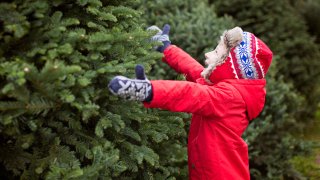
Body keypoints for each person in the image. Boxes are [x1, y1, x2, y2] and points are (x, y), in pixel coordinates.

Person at [108, 24, 273, 180]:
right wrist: (166, 48)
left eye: (216, 52)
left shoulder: (228, 97)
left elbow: (190, 93)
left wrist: (149, 91)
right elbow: (193, 69)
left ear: (228, 67)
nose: (208, 54)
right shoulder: (224, 89)